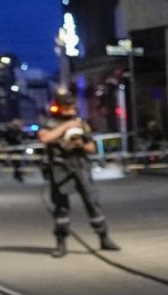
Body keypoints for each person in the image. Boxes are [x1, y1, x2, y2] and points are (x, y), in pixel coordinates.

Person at [36, 89, 119, 258]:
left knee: (92, 202)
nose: (70, 109)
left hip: (80, 167)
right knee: (61, 208)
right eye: (66, 106)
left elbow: (91, 147)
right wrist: (66, 127)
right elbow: (45, 138)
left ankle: (104, 237)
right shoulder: (49, 122)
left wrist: (80, 144)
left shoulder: (81, 124)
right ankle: (61, 242)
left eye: (71, 106)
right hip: (59, 169)